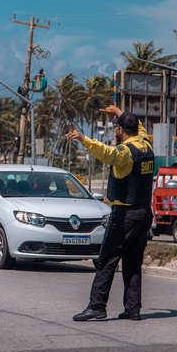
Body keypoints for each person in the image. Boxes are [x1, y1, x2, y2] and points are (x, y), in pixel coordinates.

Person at [65, 105, 155, 321]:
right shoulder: (146, 145)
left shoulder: (126, 152)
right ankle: (133, 308)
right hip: (144, 213)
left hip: (125, 214)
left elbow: (107, 153)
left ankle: (97, 306)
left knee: (107, 259)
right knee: (133, 262)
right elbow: (139, 127)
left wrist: (84, 139)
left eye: (117, 127)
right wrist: (120, 113)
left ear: (120, 131)